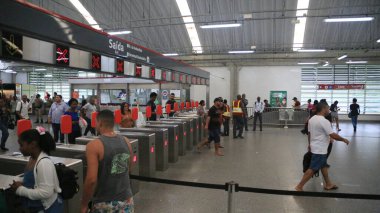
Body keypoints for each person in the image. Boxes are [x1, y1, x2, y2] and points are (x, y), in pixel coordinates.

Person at [81, 110, 134, 213]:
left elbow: (91, 180)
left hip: (104, 203)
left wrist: (84, 204)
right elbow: (129, 168)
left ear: (100, 123)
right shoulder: (126, 141)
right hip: (127, 200)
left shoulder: (93, 145)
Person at [295, 103, 350, 192]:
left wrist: (309, 144)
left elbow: (309, 133)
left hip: (315, 147)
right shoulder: (324, 121)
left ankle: (328, 184)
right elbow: (332, 134)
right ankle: (299, 186)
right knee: (313, 168)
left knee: (323, 166)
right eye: (328, 108)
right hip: (320, 149)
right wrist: (343, 139)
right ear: (323, 109)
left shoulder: (312, 119)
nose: (329, 110)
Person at [10, 127, 63, 212]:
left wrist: (20, 190)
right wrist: (22, 182)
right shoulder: (32, 159)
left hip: (46, 209)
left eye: (21, 145)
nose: (19, 149)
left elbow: (46, 192)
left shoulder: (44, 163)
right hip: (35, 207)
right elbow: (33, 178)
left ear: (33, 144)